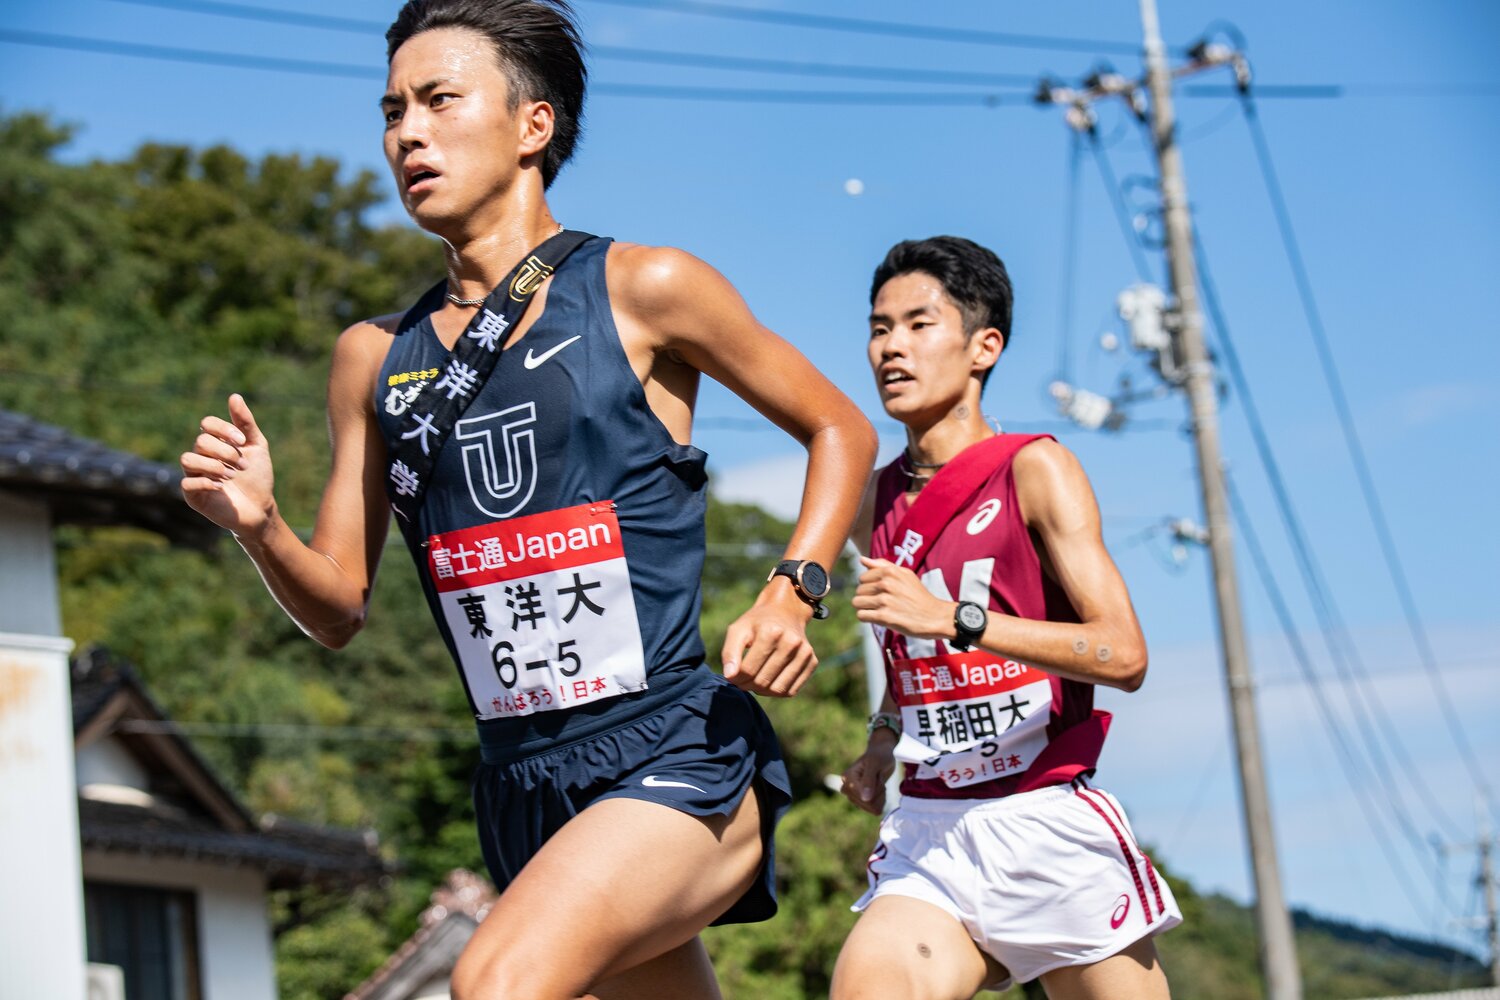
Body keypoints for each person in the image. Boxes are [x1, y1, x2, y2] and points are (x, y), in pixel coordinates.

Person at [179, 1, 877, 996]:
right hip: (523, 781)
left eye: (439, 101)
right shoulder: (372, 358)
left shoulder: (644, 286)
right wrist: (257, 527)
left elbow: (840, 427)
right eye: (392, 111)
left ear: (532, 125)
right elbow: (337, 607)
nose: (407, 133)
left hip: (675, 745)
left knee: (496, 980)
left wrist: (791, 589)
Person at [833, 236, 1180, 1000]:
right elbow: (910, 656)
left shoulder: (1035, 468)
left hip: (1044, 816)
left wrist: (955, 618)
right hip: (932, 830)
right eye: (879, 328)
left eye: (918, 325)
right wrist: (883, 740)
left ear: (984, 346)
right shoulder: (870, 504)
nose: (891, 348)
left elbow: (1124, 654)